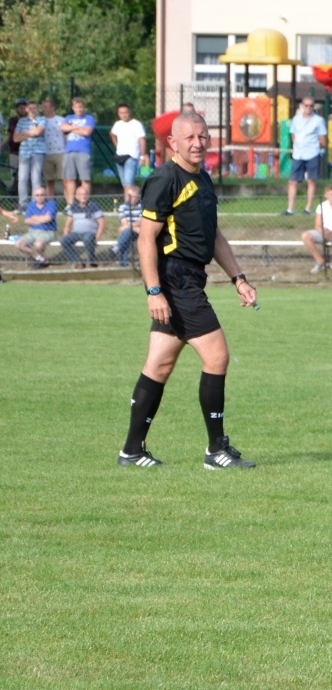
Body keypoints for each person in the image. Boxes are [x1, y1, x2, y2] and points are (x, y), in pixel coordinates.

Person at [120, 110, 258, 469]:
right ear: (173, 143)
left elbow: (214, 236)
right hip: (175, 279)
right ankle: (216, 451)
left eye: (203, 136)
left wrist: (238, 278)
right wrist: (154, 292)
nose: (198, 143)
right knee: (217, 356)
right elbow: (146, 238)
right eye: (190, 138)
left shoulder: (204, 179)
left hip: (190, 277)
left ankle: (131, 451)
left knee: (159, 364)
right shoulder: (165, 178)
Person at [284, 97, 326, 217]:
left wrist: (318, 148)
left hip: (312, 153)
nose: (309, 108)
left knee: (311, 180)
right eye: (306, 105)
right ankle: (290, 209)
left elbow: (323, 139)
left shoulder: (318, 120)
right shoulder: (296, 120)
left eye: (311, 106)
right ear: (302, 106)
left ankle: (308, 208)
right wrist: (298, 144)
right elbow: (293, 135)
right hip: (298, 154)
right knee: (293, 181)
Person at [301, 185, 332, 274]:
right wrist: (323, 232)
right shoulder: (321, 206)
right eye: (330, 194)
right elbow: (317, 224)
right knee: (305, 236)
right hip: (323, 231)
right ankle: (320, 261)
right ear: (326, 195)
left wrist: (331, 231)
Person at [59, 98, 97, 204]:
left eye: (81, 107)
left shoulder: (89, 118)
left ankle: (84, 204)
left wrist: (71, 127)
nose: (79, 109)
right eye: (76, 107)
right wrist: (78, 128)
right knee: (69, 179)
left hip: (83, 152)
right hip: (69, 152)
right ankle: (71, 205)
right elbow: (63, 127)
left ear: (84, 108)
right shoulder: (68, 117)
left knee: (85, 179)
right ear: (73, 108)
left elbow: (87, 132)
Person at [59, 184, 105, 268]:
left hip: (90, 233)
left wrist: (97, 238)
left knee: (88, 239)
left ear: (88, 195)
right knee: (63, 241)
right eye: (80, 194)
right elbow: (67, 224)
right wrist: (66, 235)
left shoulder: (94, 206)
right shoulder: (73, 207)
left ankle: (92, 261)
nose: (83, 196)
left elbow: (102, 224)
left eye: (85, 194)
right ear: (76, 196)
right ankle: (77, 262)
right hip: (76, 233)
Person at [12, 186, 57, 268]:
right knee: (18, 244)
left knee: (38, 244)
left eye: (42, 195)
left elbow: (48, 219)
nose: (39, 197)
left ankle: (39, 261)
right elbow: (26, 221)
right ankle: (39, 259)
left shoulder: (51, 204)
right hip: (32, 231)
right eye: (37, 195)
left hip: (47, 231)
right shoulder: (31, 205)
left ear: (46, 195)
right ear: (34, 196)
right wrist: (42, 218)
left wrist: (34, 218)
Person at [110, 104, 148, 200]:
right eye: (121, 113)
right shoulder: (117, 124)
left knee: (128, 183)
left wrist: (142, 156)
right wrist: (117, 145)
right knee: (125, 184)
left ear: (129, 112)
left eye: (125, 112)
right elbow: (112, 134)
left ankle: (128, 205)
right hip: (119, 156)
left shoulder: (136, 124)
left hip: (131, 156)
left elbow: (142, 140)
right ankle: (131, 203)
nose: (124, 115)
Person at [14, 100, 46, 204]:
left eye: (34, 108)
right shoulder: (21, 121)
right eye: (30, 108)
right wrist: (30, 133)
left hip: (38, 152)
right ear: (27, 109)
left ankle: (35, 203)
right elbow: (15, 138)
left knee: (36, 179)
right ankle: (22, 204)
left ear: (38, 109)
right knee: (22, 179)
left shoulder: (42, 119)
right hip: (24, 152)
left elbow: (38, 132)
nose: (32, 110)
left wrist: (23, 134)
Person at [38, 98, 65, 197]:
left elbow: (65, 136)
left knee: (64, 179)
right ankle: (50, 202)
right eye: (43, 107)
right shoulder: (39, 121)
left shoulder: (61, 120)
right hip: (45, 154)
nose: (44, 109)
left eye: (46, 106)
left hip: (60, 153)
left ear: (53, 108)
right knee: (49, 181)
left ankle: (69, 204)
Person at [114, 187, 142, 268]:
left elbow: (141, 222)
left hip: (139, 232)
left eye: (135, 196)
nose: (133, 199)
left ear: (138, 196)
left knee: (125, 232)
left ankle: (117, 251)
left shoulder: (142, 206)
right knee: (126, 234)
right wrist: (134, 227)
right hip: (132, 231)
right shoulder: (122, 207)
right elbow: (123, 222)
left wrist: (128, 227)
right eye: (130, 196)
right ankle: (124, 263)